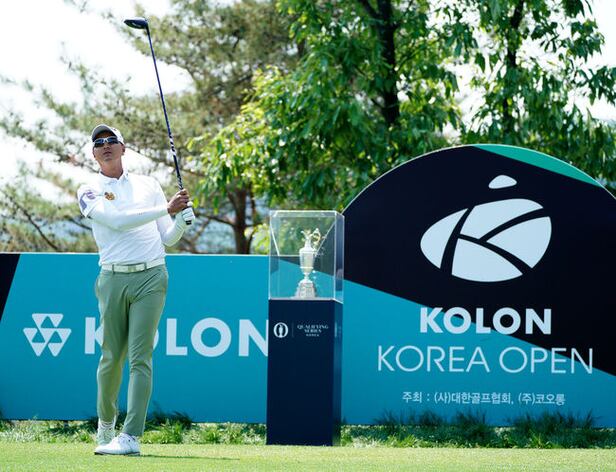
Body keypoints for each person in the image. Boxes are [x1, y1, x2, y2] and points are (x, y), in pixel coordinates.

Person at [77, 124, 195, 455]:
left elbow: (167, 238)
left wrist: (181, 221)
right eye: (98, 143)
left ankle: (131, 437)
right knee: (111, 358)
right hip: (112, 277)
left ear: (123, 147)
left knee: (140, 358)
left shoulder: (148, 184)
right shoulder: (88, 189)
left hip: (151, 276)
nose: (105, 145)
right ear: (94, 154)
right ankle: (106, 423)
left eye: (111, 140)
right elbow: (117, 220)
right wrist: (168, 209)